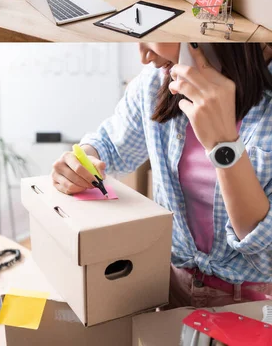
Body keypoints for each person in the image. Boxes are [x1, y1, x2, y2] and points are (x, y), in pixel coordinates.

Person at [52, 43, 272, 308]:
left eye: (156, 34)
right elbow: (111, 145)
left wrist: (223, 143)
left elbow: (264, 250)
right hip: (170, 283)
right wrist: (82, 160)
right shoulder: (156, 82)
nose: (144, 55)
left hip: (254, 300)